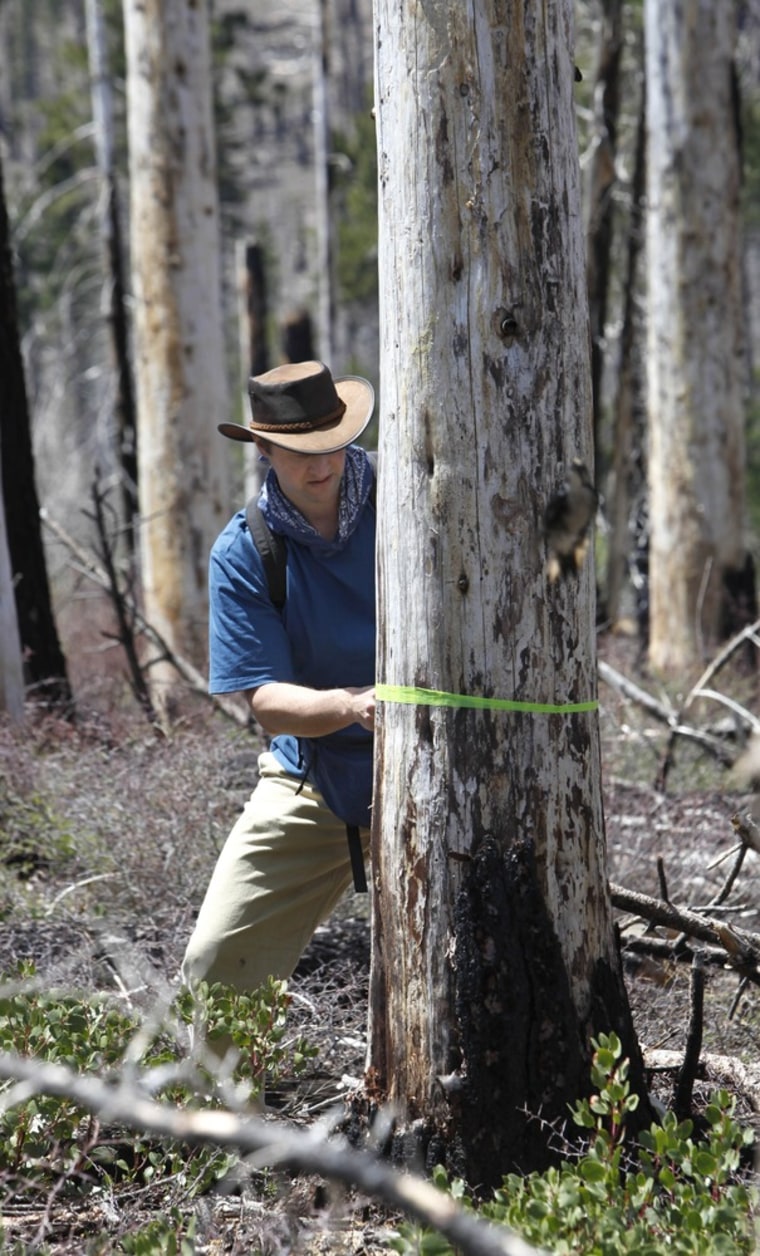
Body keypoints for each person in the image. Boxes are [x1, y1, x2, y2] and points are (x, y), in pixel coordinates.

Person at [181, 360, 377, 996]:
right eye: (297, 452)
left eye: (331, 447)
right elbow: (269, 702)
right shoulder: (245, 551)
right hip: (313, 776)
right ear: (262, 447)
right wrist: (354, 705)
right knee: (215, 969)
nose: (320, 466)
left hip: (448, 769)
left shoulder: (410, 496)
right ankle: (221, 1099)